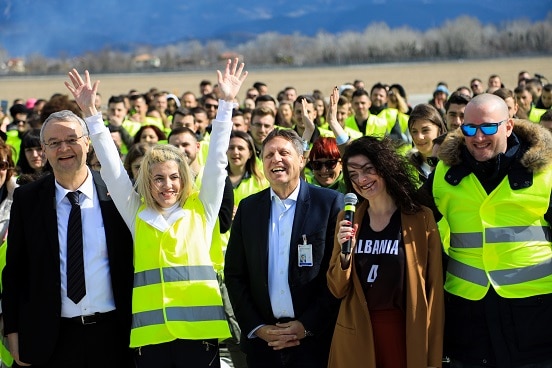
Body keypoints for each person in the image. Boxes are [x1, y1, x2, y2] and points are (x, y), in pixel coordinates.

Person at [65, 59, 247, 368]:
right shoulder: (137, 212)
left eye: (174, 177)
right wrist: (92, 115)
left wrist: (227, 104)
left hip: (200, 338)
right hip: (152, 341)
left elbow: (217, 163)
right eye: (158, 179)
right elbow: (111, 170)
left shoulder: (200, 210)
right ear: (147, 182)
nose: (167, 185)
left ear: (184, 179)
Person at [420, 93, 552, 367]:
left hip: (535, 316)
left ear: (508, 126)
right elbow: (408, 217)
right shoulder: (444, 173)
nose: (478, 137)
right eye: (470, 128)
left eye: (488, 127)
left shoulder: (545, 171)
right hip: (469, 317)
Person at [2, 109, 134, 367]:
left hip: (113, 334)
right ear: (44, 149)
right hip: (50, 338)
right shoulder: (27, 199)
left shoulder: (115, 196)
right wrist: (13, 332)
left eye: (72, 139)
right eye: (54, 143)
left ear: (87, 142)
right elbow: (15, 271)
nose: (64, 148)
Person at [224, 128, 343, 368]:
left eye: (283, 153)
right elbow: (235, 275)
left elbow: (337, 274)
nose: (275, 159)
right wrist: (258, 328)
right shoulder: (248, 209)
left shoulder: (329, 203)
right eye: (268, 155)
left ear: (302, 159)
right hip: (264, 345)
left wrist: (306, 325)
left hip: (315, 342)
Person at [326, 136, 444, 368]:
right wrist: (344, 255)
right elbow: (337, 288)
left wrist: (433, 354)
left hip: (405, 332)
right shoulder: (347, 219)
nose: (362, 180)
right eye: (354, 175)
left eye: (368, 169)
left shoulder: (420, 218)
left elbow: (434, 290)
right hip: (357, 334)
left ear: (385, 167)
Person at [407, 103, 448, 183]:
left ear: (439, 130)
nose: (419, 137)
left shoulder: (454, 162)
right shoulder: (405, 169)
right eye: (414, 131)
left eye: (425, 130)